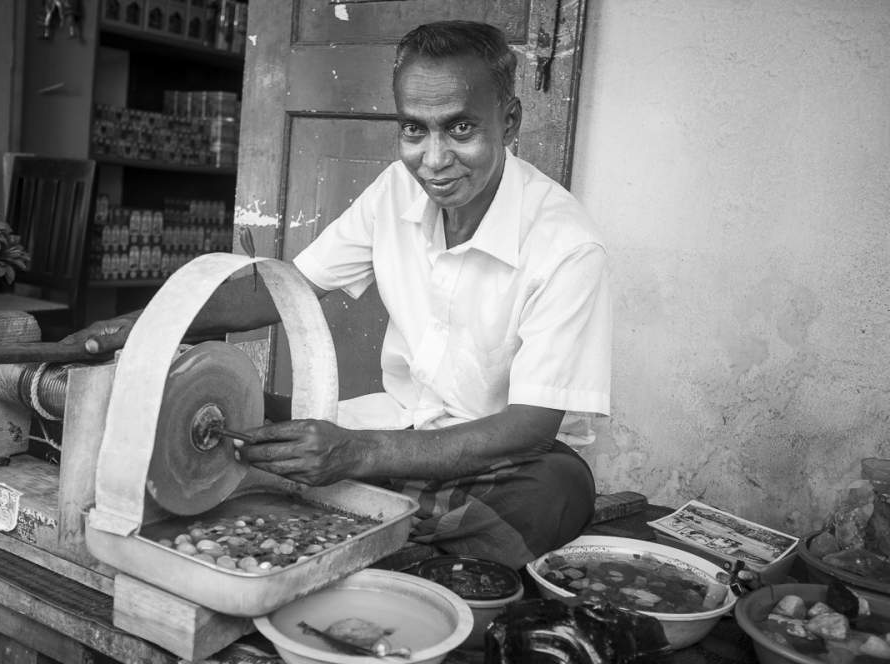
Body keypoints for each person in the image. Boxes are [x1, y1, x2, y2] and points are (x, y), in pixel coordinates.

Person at [66, 20, 610, 567]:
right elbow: (290, 290)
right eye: (414, 130)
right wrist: (147, 326)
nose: (434, 159)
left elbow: (530, 426)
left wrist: (358, 454)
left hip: (506, 461)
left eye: (461, 129)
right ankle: (402, 527)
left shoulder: (567, 245)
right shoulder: (395, 191)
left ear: (509, 121)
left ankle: (394, 526)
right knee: (253, 425)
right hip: (399, 429)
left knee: (557, 491)